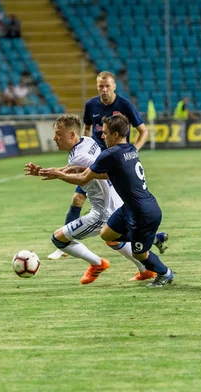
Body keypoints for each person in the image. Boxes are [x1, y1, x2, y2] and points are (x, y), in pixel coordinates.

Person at [24, 115, 168, 283]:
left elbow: (83, 176)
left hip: (102, 211)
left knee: (58, 239)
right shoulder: (86, 141)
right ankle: (147, 262)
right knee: (113, 239)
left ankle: (97, 264)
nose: (55, 138)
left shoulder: (80, 156)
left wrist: (58, 175)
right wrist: (48, 171)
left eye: (58, 134)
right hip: (117, 202)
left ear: (72, 135)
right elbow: (79, 168)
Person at [47, 71, 149, 260]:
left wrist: (133, 151)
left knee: (110, 221)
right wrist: (83, 144)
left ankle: (68, 244)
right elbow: (86, 129)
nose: (103, 90)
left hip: (111, 163)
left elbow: (143, 130)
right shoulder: (91, 105)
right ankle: (64, 246)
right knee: (78, 198)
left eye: (107, 86)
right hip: (92, 158)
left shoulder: (124, 105)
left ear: (114, 86)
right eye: (100, 86)